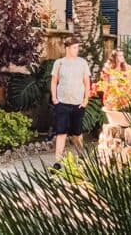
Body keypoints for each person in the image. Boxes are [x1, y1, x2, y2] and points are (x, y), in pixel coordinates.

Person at [50, 37, 91, 169]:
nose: (77, 50)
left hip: (78, 103)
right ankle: (58, 161)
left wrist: (85, 100)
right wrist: (54, 98)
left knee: (76, 134)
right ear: (67, 48)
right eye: (74, 47)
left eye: (77, 47)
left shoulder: (82, 63)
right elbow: (54, 81)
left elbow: (87, 82)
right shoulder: (59, 63)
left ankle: (81, 156)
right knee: (61, 132)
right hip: (62, 103)